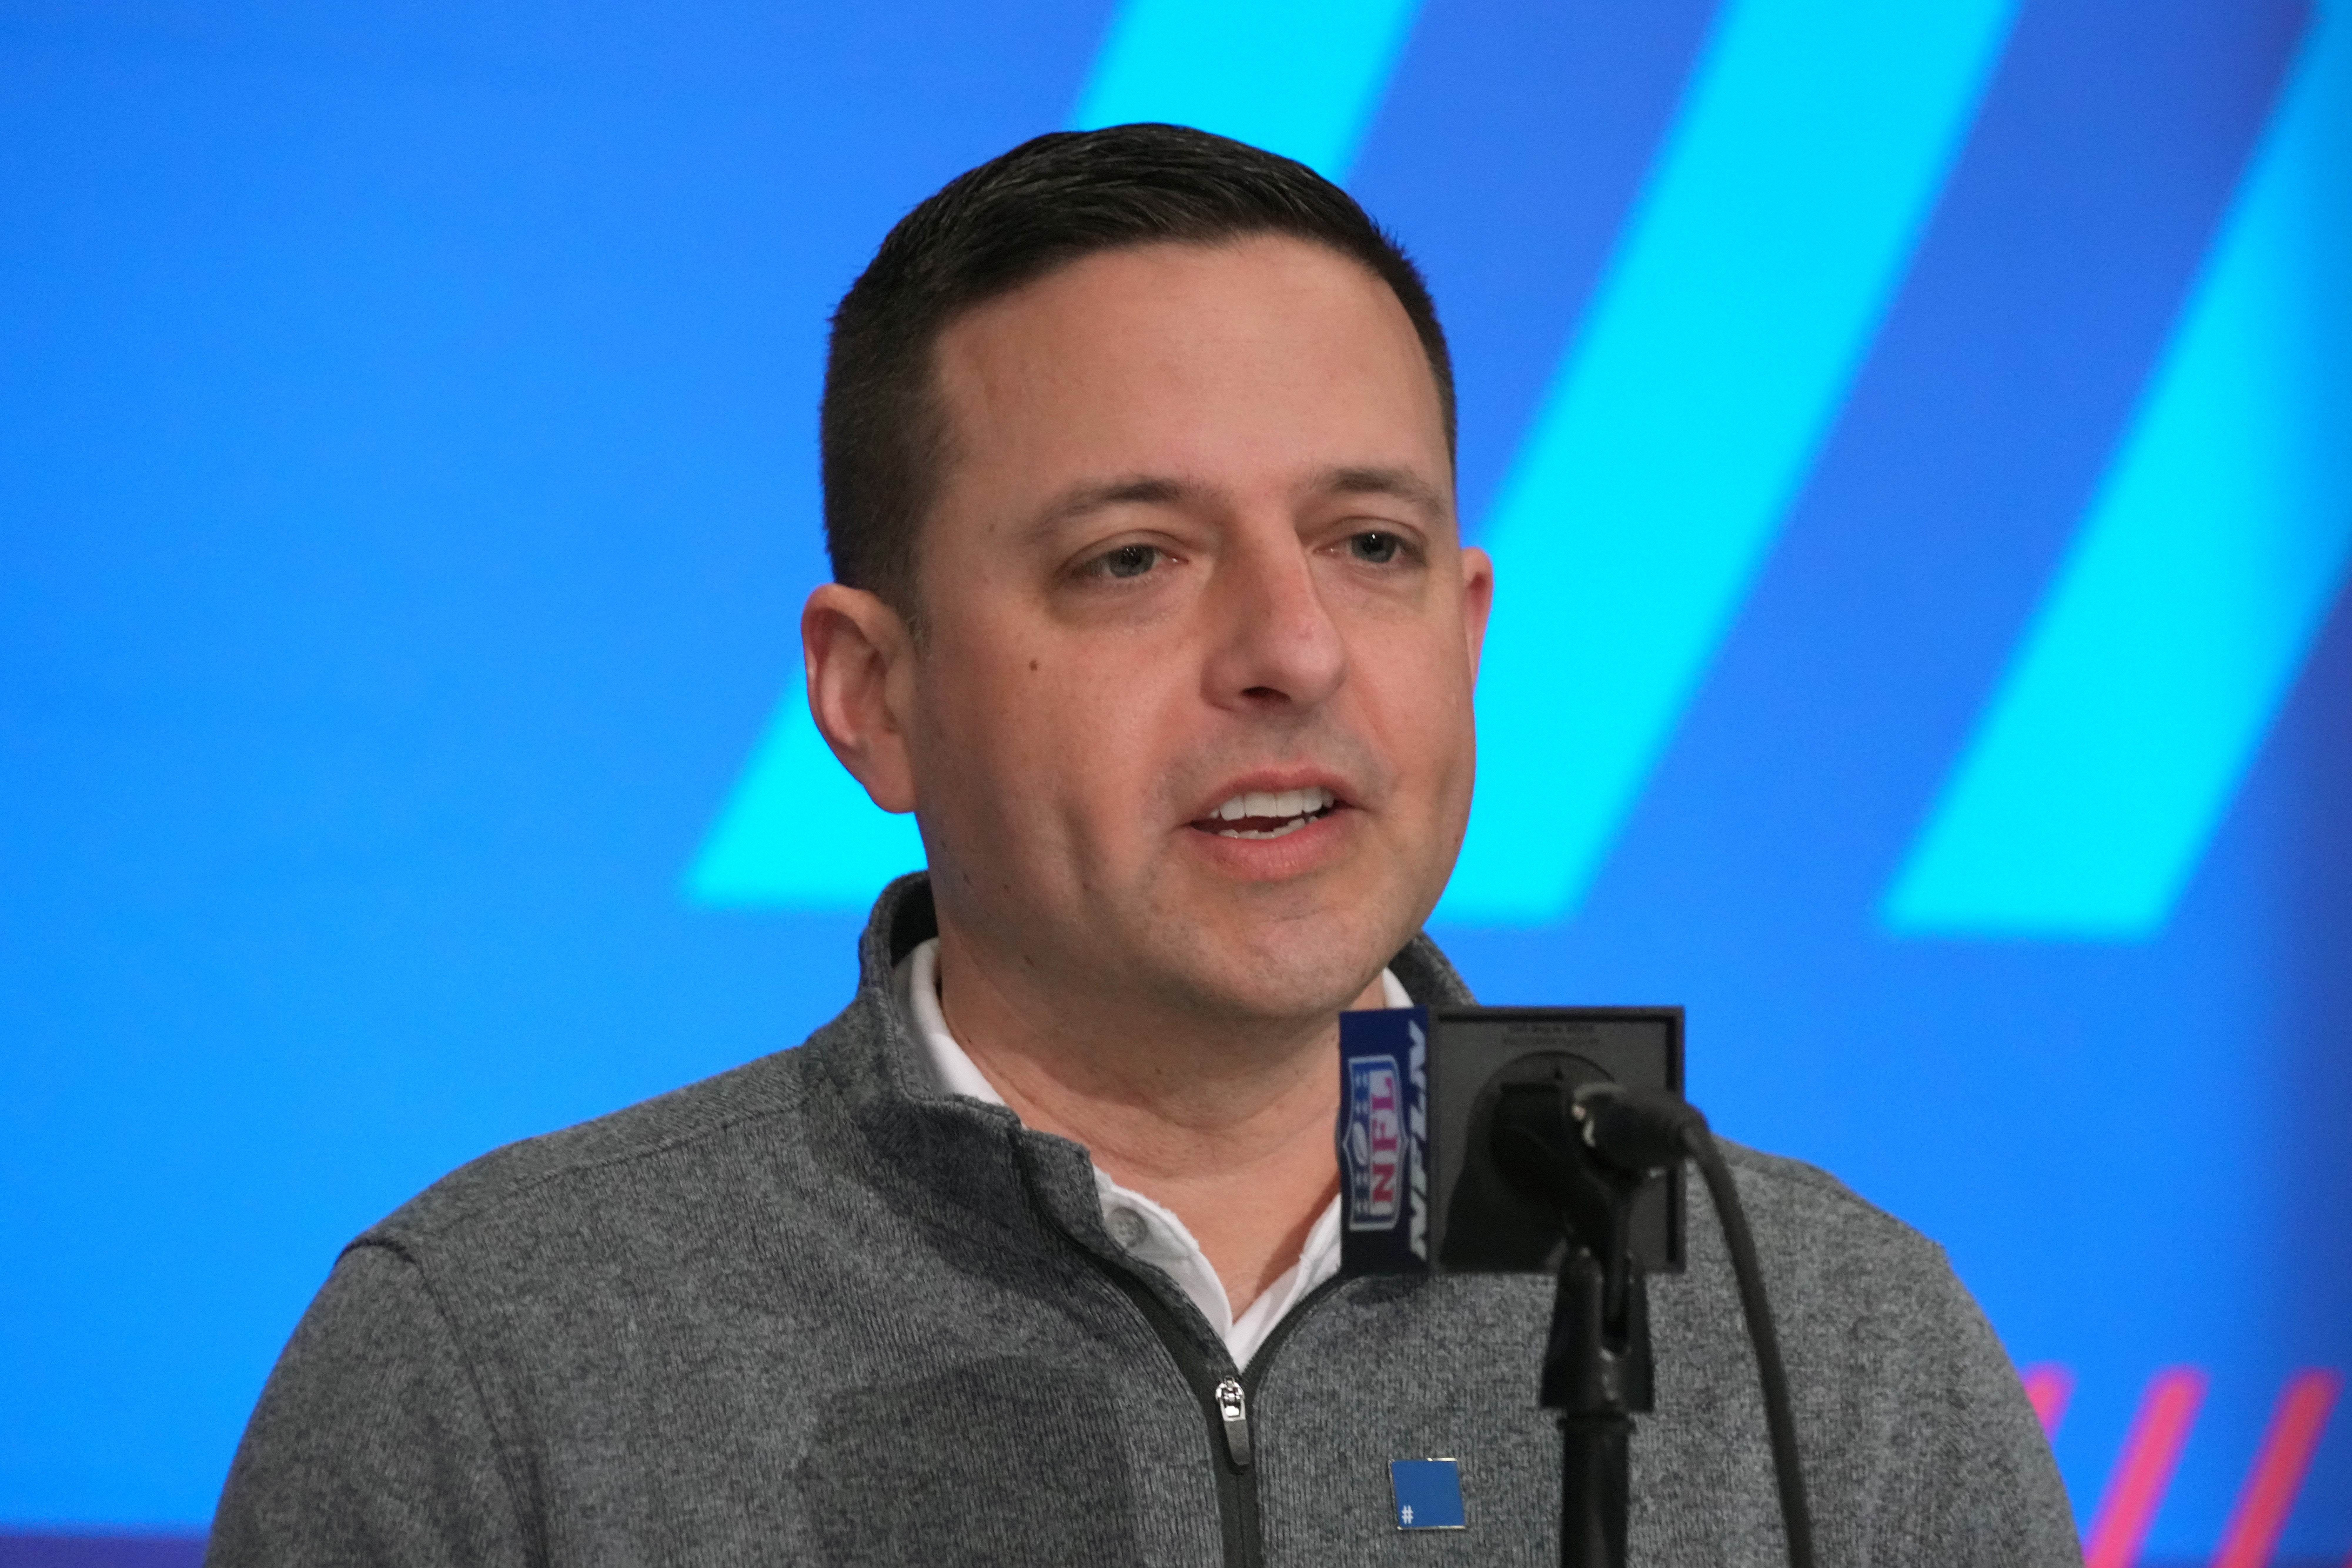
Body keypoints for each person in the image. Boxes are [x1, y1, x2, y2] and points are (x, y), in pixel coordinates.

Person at [208, 124, 2079, 1567]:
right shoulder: (495, 1366)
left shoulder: (1837, 1356)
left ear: (1470, 626)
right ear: (872, 693)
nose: (1288, 650)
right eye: (1131, 560)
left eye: (1369, 544)